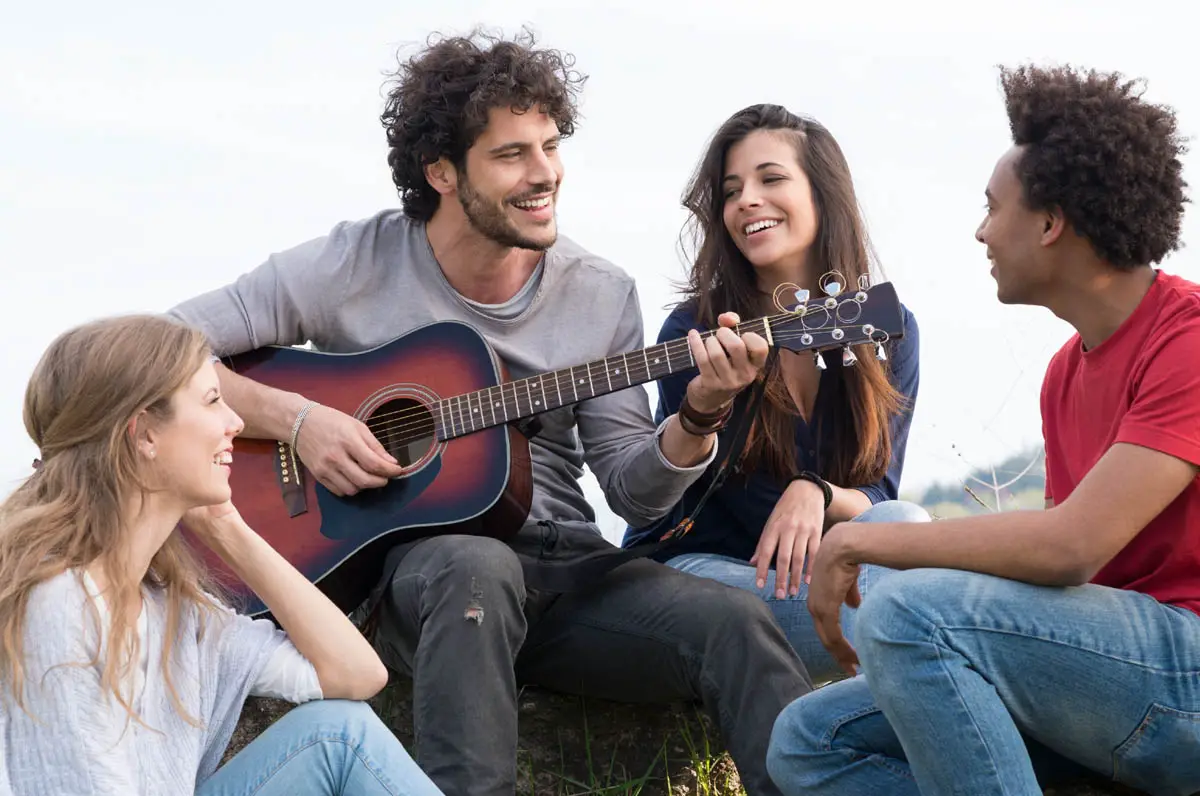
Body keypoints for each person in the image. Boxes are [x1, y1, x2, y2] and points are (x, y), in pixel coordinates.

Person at [167, 29, 814, 796]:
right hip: (423, 579)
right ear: (442, 171)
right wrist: (300, 420)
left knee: (737, 626)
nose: (546, 175)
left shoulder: (599, 291)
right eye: (513, 155)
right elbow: (156, 348)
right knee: (476, 568)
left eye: (551, 146)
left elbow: (632, 490)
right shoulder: (355, 262)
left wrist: (700, 416)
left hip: (569, 573)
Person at [766, 64, 1200, 796]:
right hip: (1116, 676)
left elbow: (1070, 548)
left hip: (1183, 676)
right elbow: (1069, 566)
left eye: (993, 208)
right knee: (810, 741)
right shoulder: (1067, 371)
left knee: (909, 610)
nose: (980, 232)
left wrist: (870, 538)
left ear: (1051, 223)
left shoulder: (1187, 341)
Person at [0, 315, 442, 795]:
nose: (235, 423)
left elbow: (356, 674)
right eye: (213, 401)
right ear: (144, 433)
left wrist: (228, 529)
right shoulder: (61, 602)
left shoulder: (171, 609)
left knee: (339, 735)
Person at [623, 104, 928, 683]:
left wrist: (814, 490)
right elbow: (695, 501)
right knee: (906, 620)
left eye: (771, 178)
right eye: (732, 190)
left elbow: (878, 493)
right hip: (704, 571)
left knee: (905, 520)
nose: (747, 201)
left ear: (822, 194)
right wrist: (707, 405)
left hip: (820, 570)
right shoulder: (695, 333)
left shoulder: (889, 328)